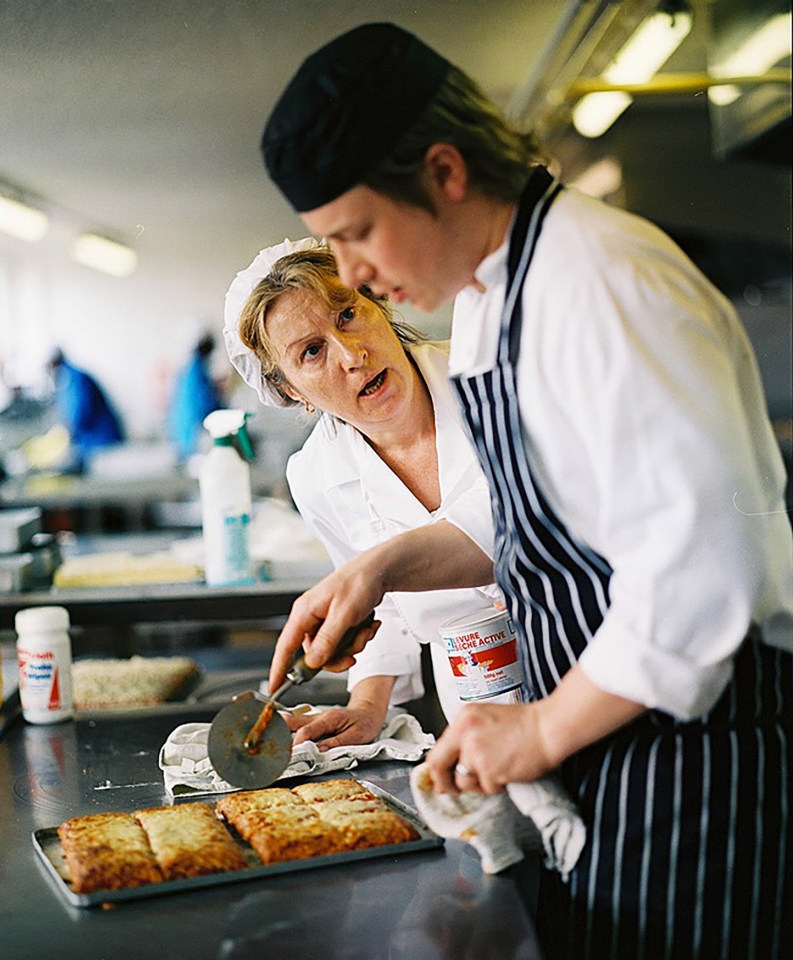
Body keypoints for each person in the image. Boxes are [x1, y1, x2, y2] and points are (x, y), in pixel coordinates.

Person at [257, 21, 793, 960]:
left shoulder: (601, 283)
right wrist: (381, 570)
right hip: (619, 741)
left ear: (443, 172)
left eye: (356, 235)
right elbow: (535, 520)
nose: (353, 276)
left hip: (698, 754)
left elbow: (704, 578)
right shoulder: (490, 300)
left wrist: (542, 729)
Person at [223, 237, 517, 748]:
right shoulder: (315, 474)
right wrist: (365, 705)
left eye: (347, 315)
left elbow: (526, 521)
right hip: (476, 711)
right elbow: (384, 613)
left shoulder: (493, 377)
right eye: (311, 352)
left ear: (376, 301)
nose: (352, 355)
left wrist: (377, 570)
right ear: (290, 388)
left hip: (592, 669)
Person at [48, 348, 124, 471]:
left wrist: (63, 434)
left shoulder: (74, 378)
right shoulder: (66, 378)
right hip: (92, 445)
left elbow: (79, 414)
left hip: (102, 444)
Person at [168, 332, 223, 461]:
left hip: (182, 436)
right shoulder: (198, 371)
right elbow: (206, 404)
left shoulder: (188, 368)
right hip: (194, 435)